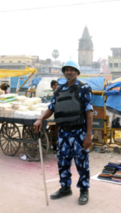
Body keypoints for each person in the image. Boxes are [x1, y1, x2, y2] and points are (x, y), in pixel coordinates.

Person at [34, 60, 93, 205]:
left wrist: (88, 135)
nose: (68, 72)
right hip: (63, 133)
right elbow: (52, 107)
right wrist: (41, 118)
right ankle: (65, 187)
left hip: (79, 132)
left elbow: (89, 112)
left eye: (72, 70)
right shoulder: (59, 90)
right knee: (63, 162)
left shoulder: (84, 88)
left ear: (77, 72)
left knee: (82, 163)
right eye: (66, 70)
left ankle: (84, 190)